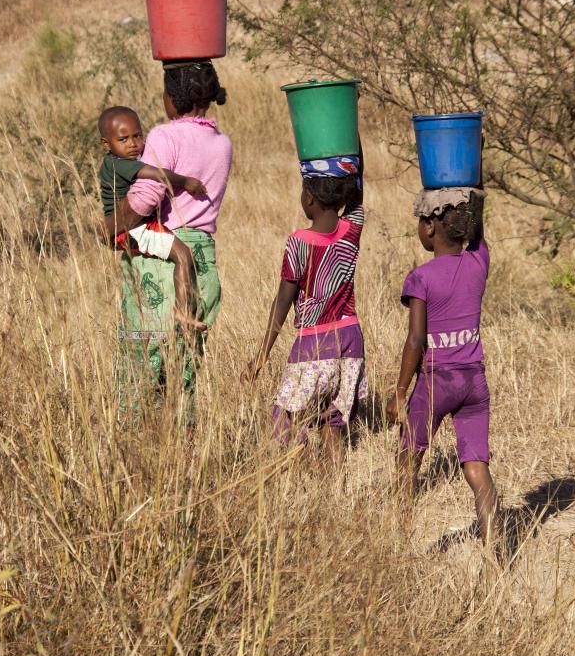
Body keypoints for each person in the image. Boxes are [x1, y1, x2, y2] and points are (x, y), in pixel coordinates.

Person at [103, 62, 232, 412]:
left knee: (141, 367)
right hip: (203, 262)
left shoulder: (164, 135)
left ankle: (134, 448)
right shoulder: (222, 143)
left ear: (172, 98)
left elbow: (145, 198)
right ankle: (184, 454)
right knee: (183, 375)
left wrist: (111, 226)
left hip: (162, 258)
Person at [386, 183, 499, 550]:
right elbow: (477, 225)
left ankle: (399, 542)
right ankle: (493, 552)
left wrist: (400, 392)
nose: (419, 228)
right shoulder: (477, 263)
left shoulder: (421, 277)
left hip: (437, 383)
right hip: (474, 382)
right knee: (477, 468)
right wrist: (472, 178)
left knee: (408, 461)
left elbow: (416, 340)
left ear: (432, 226)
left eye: (421, 221)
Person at [244, 154, 367, 462]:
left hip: (315, 342)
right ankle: (334, 486)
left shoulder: (299, 241)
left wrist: (262, 354)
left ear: (308, 198)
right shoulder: (352, 230)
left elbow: (283, 299)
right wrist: (351, 149)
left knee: (284, 419)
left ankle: (303, 475)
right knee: (331, 421)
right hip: (351, 339)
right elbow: (358, 188)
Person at [98, 105, 208, 330]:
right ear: (106, 144)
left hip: (125, 230)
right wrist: (186, 181)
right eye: (124, 139)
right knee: (183, 254)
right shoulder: (121, 164)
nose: (133, 144)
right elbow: (156, 173)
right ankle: (183, 311)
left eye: (137, 136)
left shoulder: (110, 164)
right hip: (134, 228)